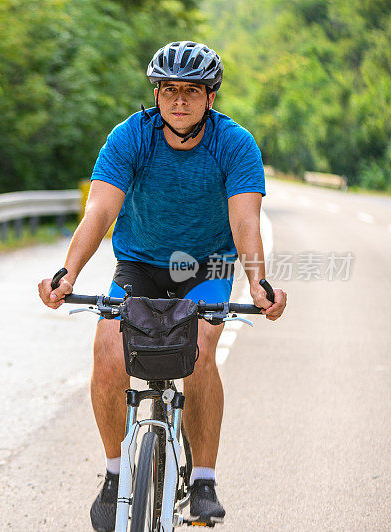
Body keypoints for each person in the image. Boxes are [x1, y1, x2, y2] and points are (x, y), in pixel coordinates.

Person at [37, 41, 288, 531]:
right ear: (156, 93)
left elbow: (245, 222)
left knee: (199, 348)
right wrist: (68, 272)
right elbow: (101, 211)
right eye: (168, 90)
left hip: (210, 265)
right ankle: (113, 475)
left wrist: (258, 282)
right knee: (108, 348)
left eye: (191, 92)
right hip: (139, 263)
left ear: (210, 97)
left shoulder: (235, 144)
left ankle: (204, 481)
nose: (178, 101)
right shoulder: (131, 136)